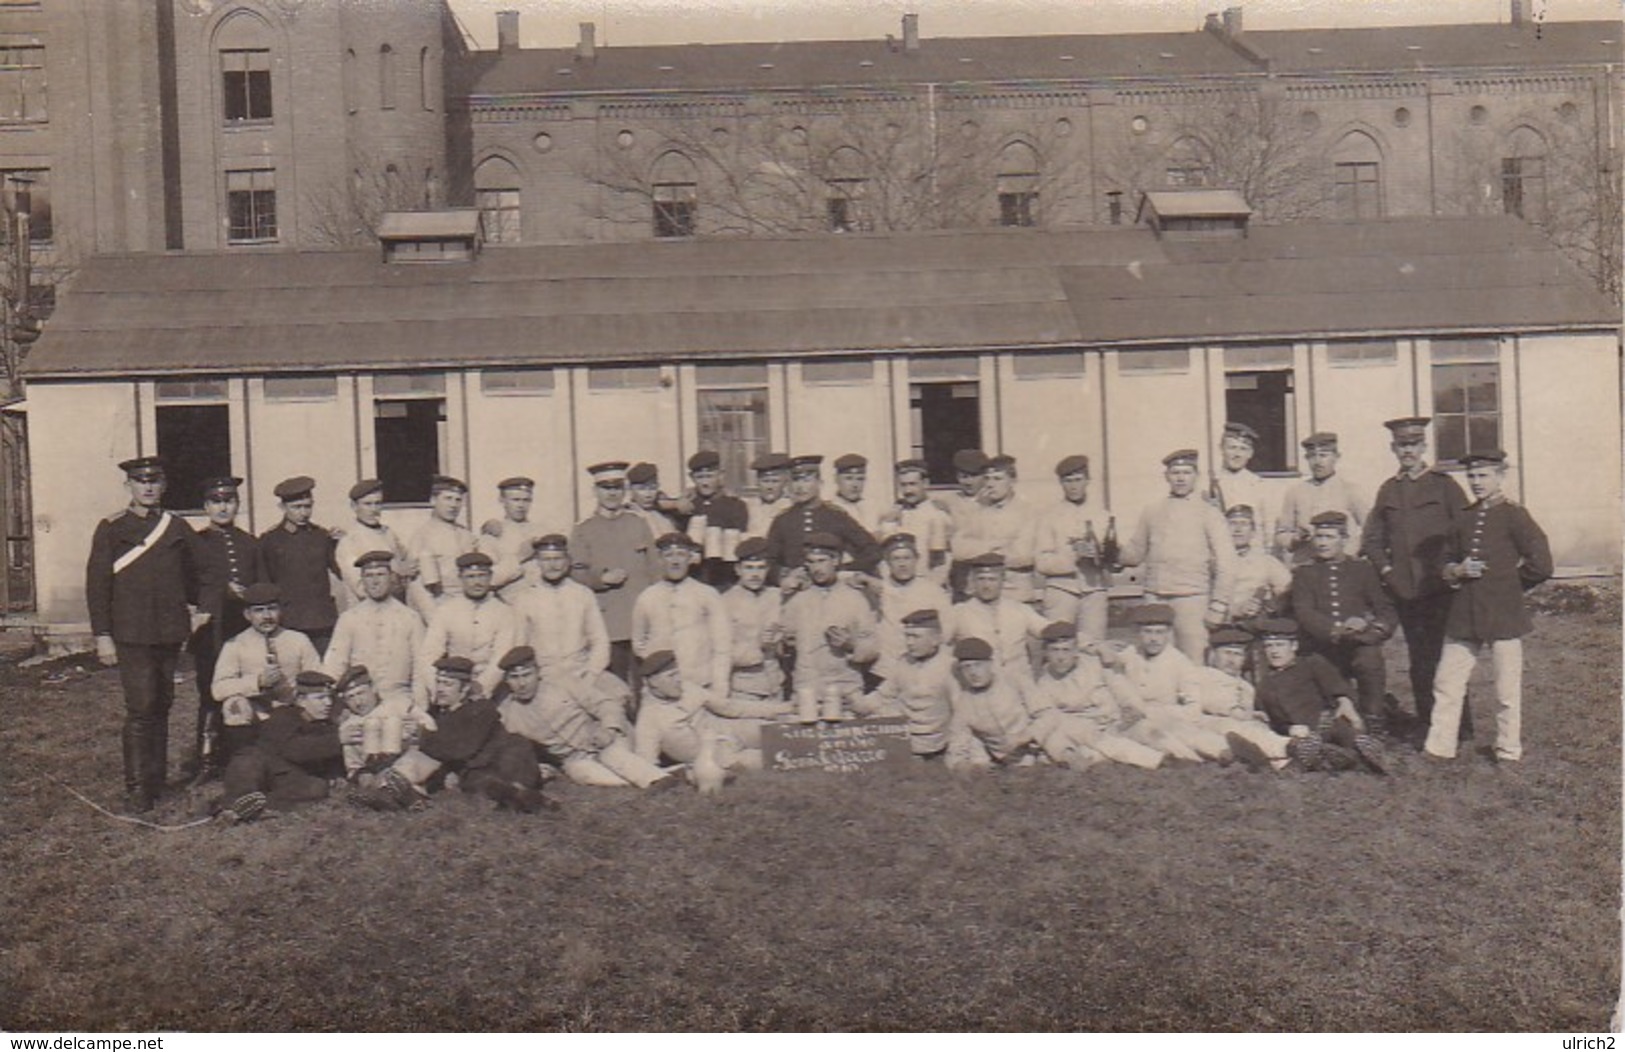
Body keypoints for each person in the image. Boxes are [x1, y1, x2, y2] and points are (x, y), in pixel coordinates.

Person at [86, 455, 200, 812]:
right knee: (141, 707)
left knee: (163, 705)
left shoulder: (177, 527)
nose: (148, 487)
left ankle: (157, 780)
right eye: (141, 481)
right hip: (131, 632)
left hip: (168, 631)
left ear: (163, 486)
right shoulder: (111, 527)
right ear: (129, 486)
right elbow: (97, 584)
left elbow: (195, 574)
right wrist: (102, 634)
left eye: (155, 481)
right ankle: (137, 787)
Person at [1424, 450, 1552, 764]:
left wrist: (1508, 586)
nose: (1476, 482)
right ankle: (1440, 748)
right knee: (1447, 681)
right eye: (1471, 476)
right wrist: (1457, 571)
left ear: (1500, 476)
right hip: (1464, 612)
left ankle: (1507, 749)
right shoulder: (1464, 517)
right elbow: (1443, 561)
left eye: (1483, 475)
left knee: (1506, 687)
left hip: (1503, 612)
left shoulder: (1514, 515)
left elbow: (1542, 564)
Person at [1361, 416, 1470, 734]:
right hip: (1406, 590)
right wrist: (1386, 569)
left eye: (1413, 444)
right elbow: (1372, 539)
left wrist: (1456, 570)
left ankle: (1459, 728)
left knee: (1448, 661)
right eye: (1401, 445)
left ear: (1423, 446)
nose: (1407, 451)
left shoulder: (1444, 485)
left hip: (1441, 589)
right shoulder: (1388, 490)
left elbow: (1465, 530)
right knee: (1420, 662)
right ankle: (1429, 724)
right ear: (1393, 448)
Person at [494, 646, 676, 789]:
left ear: (538, 673)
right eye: (514, 678)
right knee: (583, 773)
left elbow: (605, 704)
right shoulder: (509, 713)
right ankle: (649, 778)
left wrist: (609, 729)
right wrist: (536, 767)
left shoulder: (562, 683)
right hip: (575, 758)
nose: (522, 683)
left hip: (608, 737)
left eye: (527, 675)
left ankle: (658, 780)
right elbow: (515, 748)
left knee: (613, 755)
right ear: (507, 681)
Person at [1118, 449, 1236, 661]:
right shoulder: (1152, 511)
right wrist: (1110, 553)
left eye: (1186, 472)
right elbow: (1135, 552)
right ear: (1166, 476)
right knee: (1156, 661)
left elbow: (1227, 563)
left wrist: (1218, 605)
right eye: (1175, 473)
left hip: (1192, 599)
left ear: (1195, 476)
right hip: (1156, 597)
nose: (1180, 478)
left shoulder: (1209, 514)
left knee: (1194, 660)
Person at [186, 475, 264, 782]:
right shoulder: (197, 542)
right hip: (211, 631)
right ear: (206, 506)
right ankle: (206, 759)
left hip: (241, 628)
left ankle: (240, 753)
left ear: (237, 505)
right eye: (216, 502)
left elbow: (260, 583)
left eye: (229, 501)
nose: (223, 508)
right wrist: (217, 594)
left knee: (244, 687)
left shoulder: (249, 543)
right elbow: (189, 585)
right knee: (209, 693)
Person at [1290, 511, 1396, 734]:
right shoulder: (1304, 573)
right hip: (1322, 647)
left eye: (1329, 537)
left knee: (1370, 659)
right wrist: (1336, 630)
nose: (1322, 543)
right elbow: (1304, 612)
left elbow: (1384, 609)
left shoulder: (1362, 569)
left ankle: (1374, 718)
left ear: (1344, 539)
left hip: (1358, 644)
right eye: (1318, 537)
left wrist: (1370, 628)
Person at [412, 655, 553, 813]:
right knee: (477, 782)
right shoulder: (437, 713)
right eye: (438, 682)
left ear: (465, 688)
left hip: (508, 756)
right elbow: (434, 753)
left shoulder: (481, 709)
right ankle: (519, 798)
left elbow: (458, 750)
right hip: (478, 770)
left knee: (503, 773)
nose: (440, 689)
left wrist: (429, 731)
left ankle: (522, 796)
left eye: (447, 684)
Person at [1092, 604, 1230, 762]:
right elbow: (1107, 665)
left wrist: (1150, 712)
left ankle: (1221, 751)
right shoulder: (1130, 653)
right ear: (1139, 633)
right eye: (1147, 632)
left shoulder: (1180, 663)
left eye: (1160, 632)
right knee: (1144, 732)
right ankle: (1186, 758)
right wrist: (1101, 648)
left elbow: (1192, 710)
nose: (1153, 639)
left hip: (1168, 719)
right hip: (1134, 724)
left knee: (1179, 731)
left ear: (1169, 633)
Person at [1253, 618, 1390, 775]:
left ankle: (1368, 754)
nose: (1274, 651)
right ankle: (1335, 759)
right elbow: (1269, 720)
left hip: (1324, 721)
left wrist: (1345, 702)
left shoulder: (1311, 664)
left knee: (1349, 735)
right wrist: (1289, 728)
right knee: (1306, 745)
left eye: (1280, 645)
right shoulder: (1264, 684)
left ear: (1294, 646)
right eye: (1269, 646)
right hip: (1299, 733)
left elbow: (1337, 687)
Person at [569, 461, 662, 685]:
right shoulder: (583, 528)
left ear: (624, 490)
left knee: (648, 684)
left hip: (642, 619)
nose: (612, 493)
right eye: (605, 488)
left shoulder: (639, 523)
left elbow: (656, 569)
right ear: (595, 491)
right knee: (614, 685)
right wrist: (601, 579)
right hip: (607, 622)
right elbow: (575, 573)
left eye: (617, 488)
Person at [212, 582, 325, 764]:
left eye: (272, 609)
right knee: (234, 705)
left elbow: (318, 678)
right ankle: (246, 763)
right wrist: (257, 682)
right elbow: (218, 688)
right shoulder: (235, 645)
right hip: (258, 714)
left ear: (280, 611)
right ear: (247, 615)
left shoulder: (298, 640)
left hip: (294, 711)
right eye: (259, 611)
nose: (267, 616)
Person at [215, 670, 345, 825]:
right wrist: (338, 740)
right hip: (264, 765)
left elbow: (330, 759)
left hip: (289, 775)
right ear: (301, 700)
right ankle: (232, 806)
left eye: (329, 697)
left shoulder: (327, 726)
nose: (328, 703)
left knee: (317, 787)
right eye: (320, 698)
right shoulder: (283, 715)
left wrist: (335, 773)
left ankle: (255, 807)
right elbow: (295, 750)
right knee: (248, 763)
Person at [1027, 622, 1164, 769]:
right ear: (1046, 653)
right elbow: (1050, 721)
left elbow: (1124, 692)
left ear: (1076, 651)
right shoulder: (1043, 683)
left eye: (1066, 650)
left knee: (1153, 731)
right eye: (1054, 650)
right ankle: (1153, 759)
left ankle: (1091, 757)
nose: (1060, 657)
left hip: (1115, 725)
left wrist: (1131, 712)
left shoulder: (1095, 665)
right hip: (1081, 733)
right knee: (1058, 729)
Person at [779, 531, 879, 710]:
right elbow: (783, 642)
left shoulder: (855, 598)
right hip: (808, 690)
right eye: (810, 562)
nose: (816, 568)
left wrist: (850, 645)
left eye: (821, 561)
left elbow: (872, 647)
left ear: (836, 561)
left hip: (846, 690)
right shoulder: (798, 599)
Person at [1175, 626, 1292, 772]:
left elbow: (1247, 715)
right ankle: (1288, 748)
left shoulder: (1246, 687)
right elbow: (1201, 704)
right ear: (1213, 654)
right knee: (1230, 727)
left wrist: (1254, 717)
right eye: (1227, 653)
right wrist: (1234, 712)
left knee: (1255, 728)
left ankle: (1278, 760)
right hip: (1205, 724)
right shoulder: (1200, 674)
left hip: (1239, 729)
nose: (1231, 660)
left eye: (1238, 654)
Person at [322, 550, 426, 711]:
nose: (375, 581)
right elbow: (334, 666)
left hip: (400, 702)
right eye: (369, 576)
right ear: (362, 580)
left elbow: (421, 669)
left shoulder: (410, 618)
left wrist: (419, 707)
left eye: (380, 575)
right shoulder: (349, 619)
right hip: (360, 705)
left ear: (391, 577)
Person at [632, 532, 733, 694]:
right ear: (659, 559)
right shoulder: (647, 597)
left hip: (701, 683)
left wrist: (720, 685)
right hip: (663, 689)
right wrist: (658, 670)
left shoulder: (707, 594)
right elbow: (638, 644)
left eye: (681, 554)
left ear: (690, 558)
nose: (675, 561)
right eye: (668, 555)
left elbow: (722, 645)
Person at [632, 649, 762, 772]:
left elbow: (729, 707)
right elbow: (646, 762)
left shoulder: (689, 688)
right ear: (653, 682)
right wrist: (686, 771)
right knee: (766, 756)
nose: (678, 679)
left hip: (733, 731)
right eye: (671, 676)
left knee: (772, 731)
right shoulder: (648, 719)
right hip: (718, 756)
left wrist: (778, 709)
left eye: (678, 673)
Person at [851, 608, 956, 759]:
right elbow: (883, 695)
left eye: (915, 637)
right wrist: (860, 705)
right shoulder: (903, 663)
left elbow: (961, 715)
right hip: (905, 742)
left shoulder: (950, 667)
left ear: (935, 639)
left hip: (939, 745)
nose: (909, 643)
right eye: (907, 636)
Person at [416, 551, 518, 705]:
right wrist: (440, 689)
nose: (476, 582)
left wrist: (481, 689)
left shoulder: (504, 613)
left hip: (492, 692)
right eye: (470, 577)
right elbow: (428, 655)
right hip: (453, 692)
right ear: (460, 578)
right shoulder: (446, 611)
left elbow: (501, 658)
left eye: (482, 575)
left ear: (490, 577)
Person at [1032, 454, 1114, 644]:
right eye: (1068, 481)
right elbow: (1041, 562)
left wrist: (1103, 555)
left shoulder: (1102, 515)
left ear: (1087, 481)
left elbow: (1112, 556)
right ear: (1061, 483)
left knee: (1095, 646)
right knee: (1057, 645)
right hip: (1061, 590)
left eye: (1078, 480)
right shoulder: (1049, 517)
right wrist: (1072, 557)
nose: (1073, 486)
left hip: (1094, 589)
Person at [762, 455, 881, 580]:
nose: (800, 487)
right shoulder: (783, 520)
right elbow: (769, 561)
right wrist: (785, 574)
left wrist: (842, 570)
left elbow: (872, 551)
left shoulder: (836, 516)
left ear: (820, 483)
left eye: (807, 480)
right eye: (795, 480)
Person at [258, 475, 339, 655]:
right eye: (296, 507)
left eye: (308, 506)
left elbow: (341, 570)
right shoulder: (270, 541)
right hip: (289, 621)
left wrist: (343, 544)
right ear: (283, 507)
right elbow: (265, 582)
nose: (303, 513)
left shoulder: (322, 536)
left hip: (322, 620)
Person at [861, 532, 952, 679]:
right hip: (884, 669)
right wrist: (861, 577)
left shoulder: (933, 592)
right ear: (887, 562)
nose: (902, 564)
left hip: (922, 670)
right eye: (896, 559)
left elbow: (946, 631)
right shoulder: (877, 589)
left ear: (916, 560)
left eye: (907, 558)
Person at [950, 454, 1037, 605]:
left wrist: (978, 552)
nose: (990, 484)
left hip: (1014, 592)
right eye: (987, 478)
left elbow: (1023, 556)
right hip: (978, 593)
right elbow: (958, 549)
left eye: (997, 479)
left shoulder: (1027, 512)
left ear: (1012, 481)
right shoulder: (977, 510)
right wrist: (995, 545)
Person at [949, 552, 1047, 685]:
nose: (986, 586)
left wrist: (1083, 641)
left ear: (1002, 581)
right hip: (981, 688)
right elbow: (938, 643)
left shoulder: (1019, 609)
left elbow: (1050, 630)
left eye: (992, 579)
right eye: (981, 579)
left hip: (1019, 685)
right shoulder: (960, 612)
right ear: (972, 581)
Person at [1275, 432, 1369, 565]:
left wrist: (1351, 552)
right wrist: (1296, 538)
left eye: (1323, 455)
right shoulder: (1295, 492)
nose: (1318, 462)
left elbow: (1371, 529)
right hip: (1307, 565)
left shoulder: (1351, 490)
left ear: (1336, 457)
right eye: (1312, 456)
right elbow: (1282, 534)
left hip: (1341, 566)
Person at [718, 537, 786, 708]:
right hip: (743, 690)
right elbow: (721, 652)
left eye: (760, 568)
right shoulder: (725, 602)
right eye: (749, 568)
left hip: (775, 685)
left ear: (768, 569)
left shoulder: (776, 597)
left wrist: (780, 643)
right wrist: (757, 648)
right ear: (738, 569)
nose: (755, 574)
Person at [333, 664, 425, 784]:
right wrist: (361, 774)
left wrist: (420, 730)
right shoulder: (349, 727)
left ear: (373, 689)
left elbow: (431, 730)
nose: (358, 702)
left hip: (413, 764)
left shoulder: (401, 706)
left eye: (361, 693)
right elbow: (353, 766)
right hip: (378, 773)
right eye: (351, 697)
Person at [405, 475, 478, 621]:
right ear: (433, 500)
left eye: (458, 500)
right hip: (440, 609)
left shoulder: (467, 535)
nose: (453, 505)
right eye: (448, 498)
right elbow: (417, 587)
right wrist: (436, 621)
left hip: (469, 607)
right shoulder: (422, 536)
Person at [333, 479, 414, 606]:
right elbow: (361, 589)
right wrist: (398, 575)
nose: (374, 509)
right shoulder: (349, 542)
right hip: (367, 613)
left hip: (395, 608)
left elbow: (406, 560)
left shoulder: (388, 533)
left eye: (378, 503)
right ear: (354, 506)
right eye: (368, 504)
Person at [875, 459, 952, 582]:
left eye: (912, 484)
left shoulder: (936, 515)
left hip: (925, 583)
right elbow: (884, 554)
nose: (907, 491)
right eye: (903, 485)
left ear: (925, 483)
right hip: (895, 585)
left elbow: (940, 562)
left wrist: (931, 587)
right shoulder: (894, 512)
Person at [1222, 504, 1291, 629]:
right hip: (1221, 625)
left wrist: (1268, 605)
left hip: (1256, 626)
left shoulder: (1266, 562)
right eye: (1232, 523)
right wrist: (1236, 609)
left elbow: (1287, 591)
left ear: (1253, 531)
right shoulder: (1212, 562)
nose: (1238, 529)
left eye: (1244, 524)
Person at [1211, 422, 1274, 548]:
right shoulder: (1210, 483)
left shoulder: (1259, 485)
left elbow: (1268, 528)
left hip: (1252, 555)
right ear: (1221, 449)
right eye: (1232, 448)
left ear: (1250, 453)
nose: (1237, 454)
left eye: (1243, 449)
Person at [481, 476, 544, 600]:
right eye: (515, 500)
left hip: (542, 602)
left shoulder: (542, 531)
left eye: (526, 500)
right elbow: (489, 579)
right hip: (510, 604)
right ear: (502, 500)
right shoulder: (492, 535)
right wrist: (519, 557)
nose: (521, 505)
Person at [939, 449, 989, 600]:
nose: (968, 482)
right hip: (960, 573)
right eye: (963, 477)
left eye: (974, 476)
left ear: (984, 476)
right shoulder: (948, 502)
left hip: (987, 570)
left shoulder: (992, 501)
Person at [742, 452, 793, 539]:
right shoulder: (747, 506)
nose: (770, 487)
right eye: (765, 481)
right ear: (757, 482)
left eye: (775, 481)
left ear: (785, 483)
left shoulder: (790, 507)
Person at [831, 453, 884, 537]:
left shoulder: (874, 508)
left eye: (860, 479)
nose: (855, 485)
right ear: (836, 479)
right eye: (849, 478)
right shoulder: (831, 510)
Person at [627, 462, 680, 537]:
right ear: (630, 489)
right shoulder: (628, 516)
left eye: (653, 488)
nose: (648, 495)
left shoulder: (663, 515)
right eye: (641, 489)